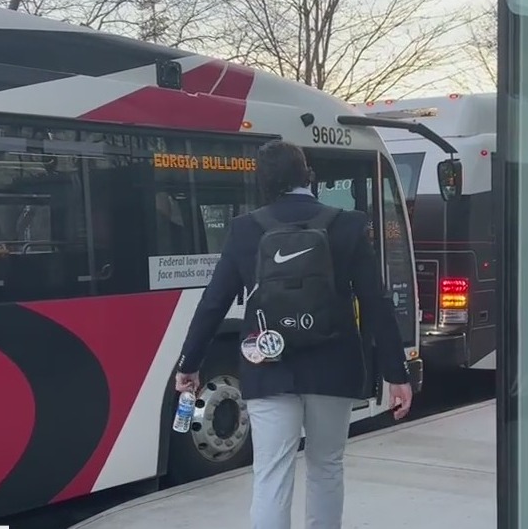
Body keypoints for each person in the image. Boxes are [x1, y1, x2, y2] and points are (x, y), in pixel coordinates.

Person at [174, 140, 413, 529]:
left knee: (271, 474)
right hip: (333, 366)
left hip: (267, 365)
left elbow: (213, 304)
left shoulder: (244, 230)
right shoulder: (348, 224)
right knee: (326, 468)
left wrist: (190, 363)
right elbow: (376, 301)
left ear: (263, 183)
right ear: (308, 176)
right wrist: (397, 373)